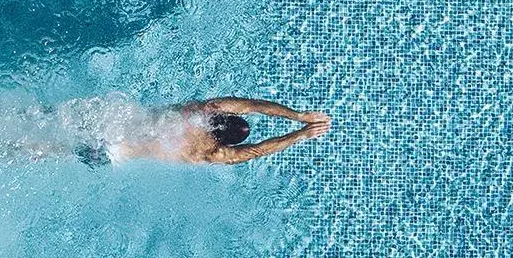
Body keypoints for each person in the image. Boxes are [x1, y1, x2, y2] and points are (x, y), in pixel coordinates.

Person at [39, 95, 330, 166]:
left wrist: (298, 115)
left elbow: (251, 105)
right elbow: (257, 150)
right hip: (111, 153)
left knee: (51, 117)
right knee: (47, 151)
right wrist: (300, 135)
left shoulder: (203, 110)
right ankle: (4, 151)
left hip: (110, 122)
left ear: (223, 116)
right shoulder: (212, 152)